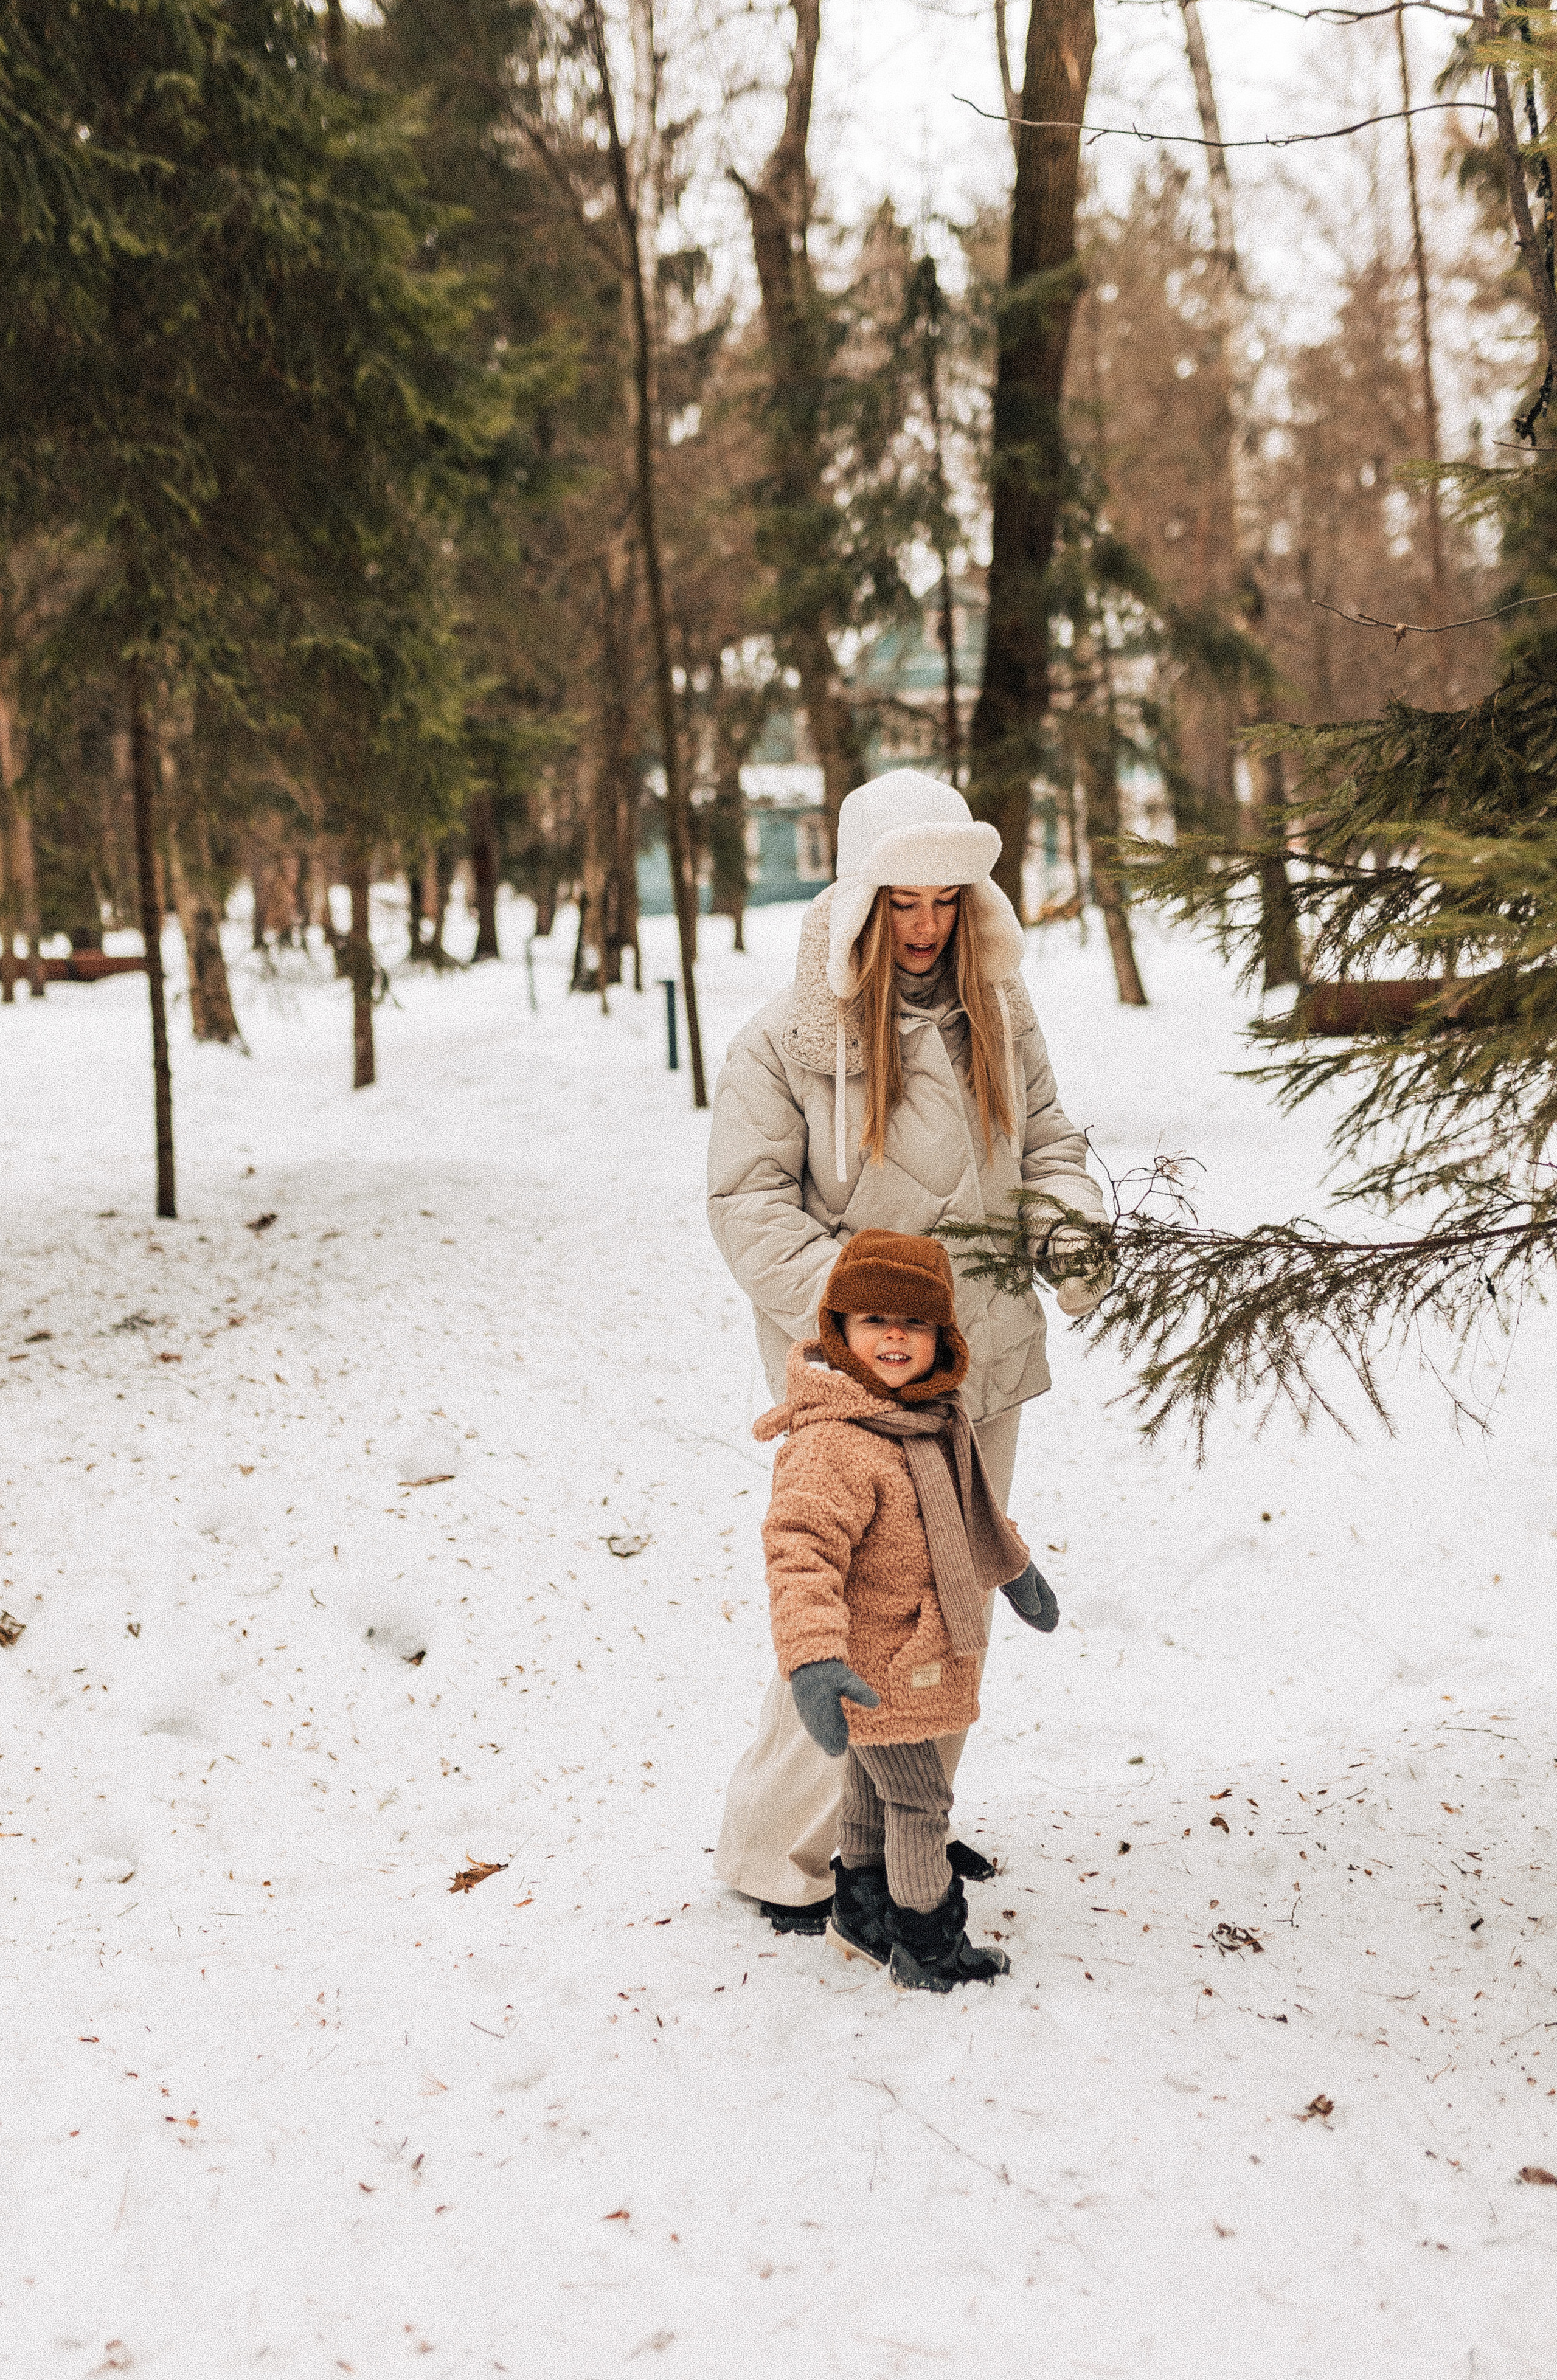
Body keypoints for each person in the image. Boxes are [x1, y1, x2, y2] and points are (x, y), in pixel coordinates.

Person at [707, 767, 1109, 1930]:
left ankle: (904, 1815)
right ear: (861, 897)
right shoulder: (788, 1036)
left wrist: (1071, 1225)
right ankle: (774, 1848)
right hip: (854, 1379)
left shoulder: (1001, 1010)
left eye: (947, 898)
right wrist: (862, 1317)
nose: (928, 924)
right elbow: (748, 1204)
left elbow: (1049, 1139)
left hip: (982, 1353)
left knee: (950, 1607)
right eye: (904, 900)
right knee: (846, 1608)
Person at [758, 1230, 1063, 1991]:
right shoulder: (833, 1443)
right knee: (921, 1798)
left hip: (911, 1646)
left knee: (869, 1783)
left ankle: (861, 1914)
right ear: (840, 1332)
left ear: (942, 1337)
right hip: (881, 1655)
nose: (895, 1335)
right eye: (873, 1320)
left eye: (915, 1323)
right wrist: (813, 1656)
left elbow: (972, 1514)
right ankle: (928, 1945)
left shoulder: (931, 1418)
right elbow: (799, 1551)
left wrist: (1015, 1570)